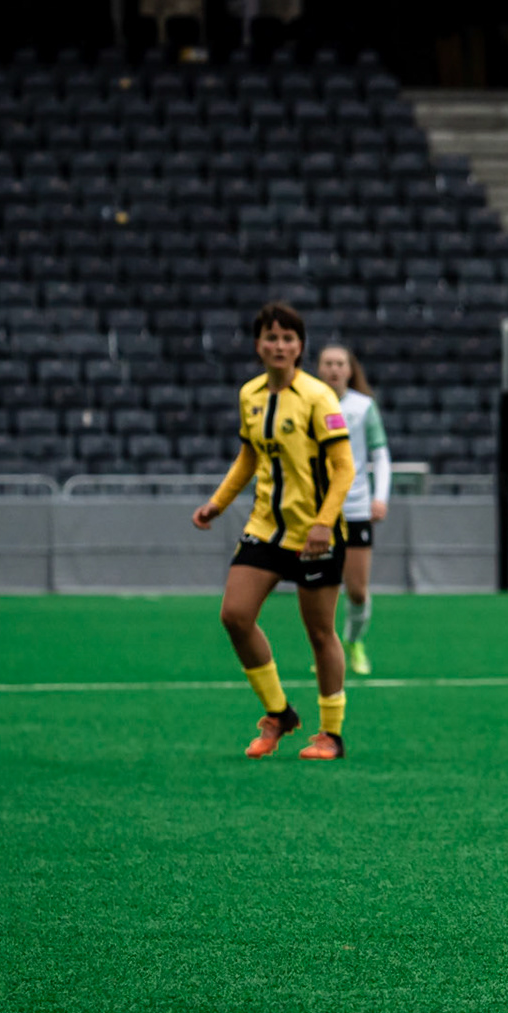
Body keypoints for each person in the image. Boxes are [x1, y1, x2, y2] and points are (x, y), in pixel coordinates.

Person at [192, 301, 356, 761]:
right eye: (270, 337)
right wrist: (217, 503)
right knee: (235, 616)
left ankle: (331, 734)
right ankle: (280, 714)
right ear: (257, 345)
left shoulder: (319, 397)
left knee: (320, 632)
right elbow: (249, 456)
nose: (279, 345)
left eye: (287, 338)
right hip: (266, 528)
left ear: (300, 346)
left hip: (315, 536)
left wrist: (324, 523)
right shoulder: (251, 395)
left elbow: (344, 468)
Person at [315, 344, 393, 674]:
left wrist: (380, 497)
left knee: (357, 591)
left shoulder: (363, 407)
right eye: (328, 363)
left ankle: (354, 641)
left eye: (340, 364)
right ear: (319, 368)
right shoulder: (308, 404)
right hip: (319, 512)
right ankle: (325, 650)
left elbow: (381, 455)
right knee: (321, 587)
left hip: (357, 507)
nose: (334, 369)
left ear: (349, 370)